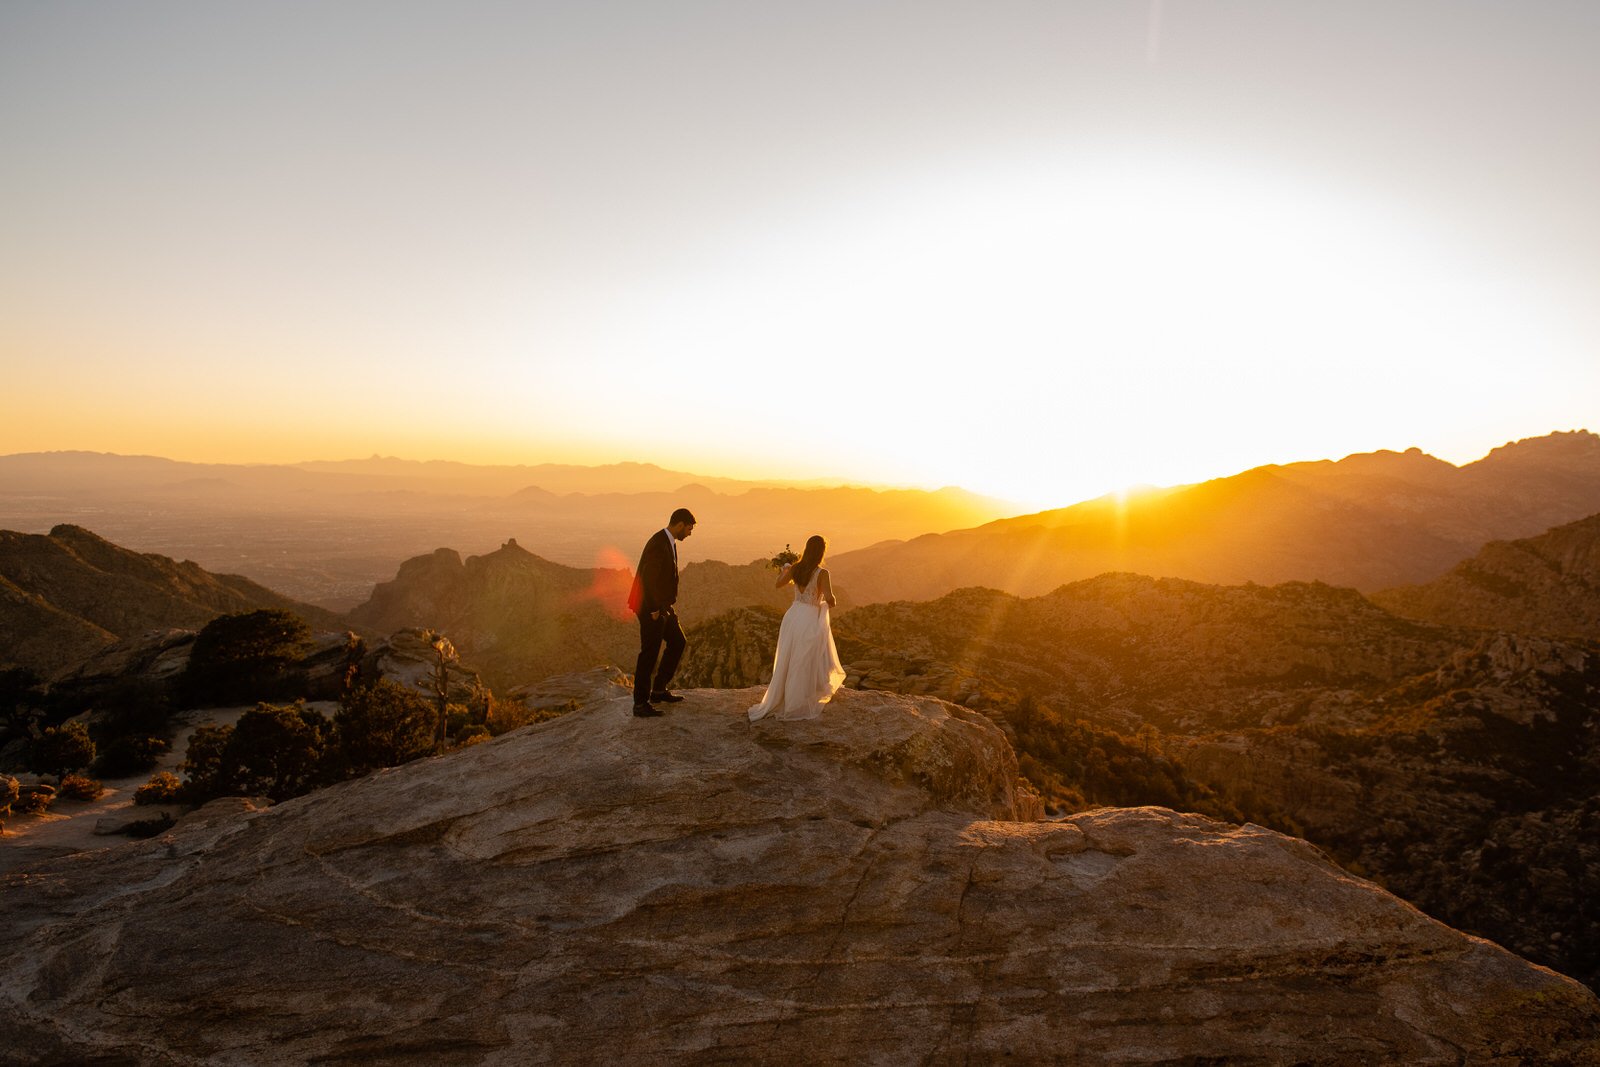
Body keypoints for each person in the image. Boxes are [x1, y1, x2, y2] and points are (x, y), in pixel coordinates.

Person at [748, 534, 846, 722]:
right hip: (809, 617)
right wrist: (830, 602)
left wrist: (785, 570)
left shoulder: (795, 568)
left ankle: (784, 697)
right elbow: (830, 599)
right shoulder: (822, 573)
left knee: (790, 657)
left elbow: (778, 584)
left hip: (792, 616)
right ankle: (799, 700)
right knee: (805, 658)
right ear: (821, 552)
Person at [627, 508, 696, 716]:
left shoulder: (668, 541)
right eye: (689, 528)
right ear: (680, 524)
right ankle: (640, 704)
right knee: (649, 653)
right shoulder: (658, 544)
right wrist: (655, 609)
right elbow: (648, 579)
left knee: (678, 641)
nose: (690, 533)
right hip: (651, 608)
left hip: (663, 607)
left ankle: (658, 689)